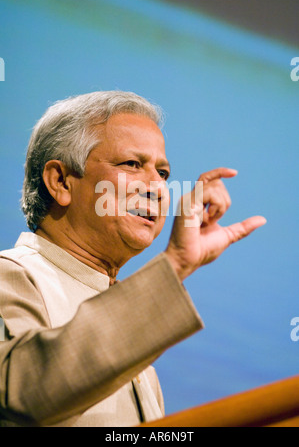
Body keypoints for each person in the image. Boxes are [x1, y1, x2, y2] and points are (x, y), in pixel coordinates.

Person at [0, 91, 266, 427]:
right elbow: (29, 391)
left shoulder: (139, 356)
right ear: (61, 181)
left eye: (164, 173)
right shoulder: (10, 276)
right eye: (132, 164)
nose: (157, 186)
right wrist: (176, 264)